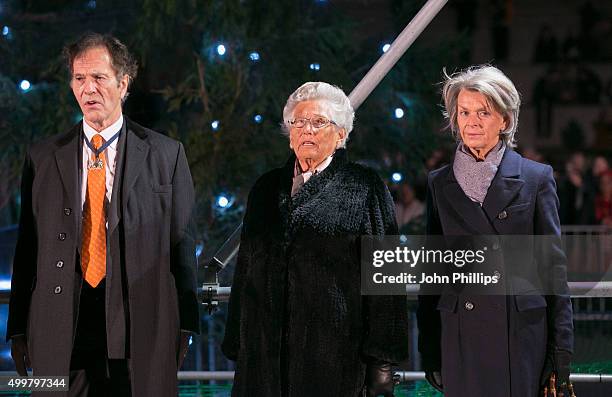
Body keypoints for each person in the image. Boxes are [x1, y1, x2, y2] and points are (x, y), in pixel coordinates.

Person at [7, 32, 200, 396]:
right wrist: (18, 327)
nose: (88, 88)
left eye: (98, 78)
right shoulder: (43, 157)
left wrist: (186, 324)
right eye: (79, 78)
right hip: (61, 331)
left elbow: (182, 245)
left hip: (140, 329)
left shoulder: (166, 155)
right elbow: (27, 249)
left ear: (123, 83)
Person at [221, 82, 409, 397]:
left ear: (341, 134)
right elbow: (245, 270)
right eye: (299, 122)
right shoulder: (265, 188)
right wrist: (238, 345)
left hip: (334, 359)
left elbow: (386, 284)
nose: (307, 130)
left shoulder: (365, 187)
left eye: (319, 122)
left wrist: (382, 365)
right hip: (262, 361)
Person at [417, 65, 574, 397]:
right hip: (460, 335)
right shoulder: (438, 183)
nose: (472, 121)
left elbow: (553, 271)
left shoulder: (536, 178)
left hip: (520, 336)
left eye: (483, 112)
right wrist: (430, 347)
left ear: (504, 120)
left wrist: (561, 352)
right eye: (464, 112)